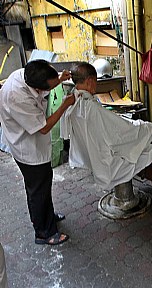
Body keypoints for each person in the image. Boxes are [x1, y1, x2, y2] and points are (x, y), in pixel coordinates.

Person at [61, 62, 152, 190]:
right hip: (107, 159)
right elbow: (119, 133)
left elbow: (108, 127)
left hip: (93, 156)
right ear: (90, 81)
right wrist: (133, 125)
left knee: (141, 128)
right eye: (96, 81)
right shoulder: (90, 107)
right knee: (151, 128)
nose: (96, 84)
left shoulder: (72, 102)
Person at [0, 60, 74, 245]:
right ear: (38, 87)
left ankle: (47, 217)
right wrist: (64, 105)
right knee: (37, 191)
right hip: (27, 149)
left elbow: (48, 80)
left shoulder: (28, 73)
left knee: (43, 185)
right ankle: (44, 232)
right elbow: (43, 128)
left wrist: (59, 79)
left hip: (36, 145)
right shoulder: (16, 97)